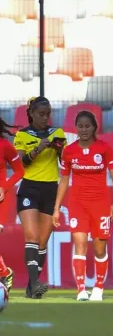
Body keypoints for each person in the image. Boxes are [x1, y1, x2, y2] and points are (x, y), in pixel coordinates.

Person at [52, 111, 113, 302]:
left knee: (99, 249)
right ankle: (81, 290)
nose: (84, 130)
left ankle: (98, 287)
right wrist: (57, 208)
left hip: (100, 204)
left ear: (94, 127)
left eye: (87, 126)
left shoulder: (104, 148)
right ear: (76, 128)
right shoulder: (69, 151)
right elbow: (64, 180)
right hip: (78, 204)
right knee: (80, 244)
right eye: (80, 126)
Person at [14, 96, 66, 298]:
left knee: (42, 242)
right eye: (41, 114)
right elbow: (19, 163)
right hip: (29, 188)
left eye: (48, 114)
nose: (46, 118)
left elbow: (65, 162)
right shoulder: (22, 134)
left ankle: (31, 287)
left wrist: (60, 150)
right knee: (32, 237)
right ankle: (35, 284)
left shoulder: (58, 133)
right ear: (32, 114)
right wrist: (38, 148)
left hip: (50, 189)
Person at [0, 117, 24, 291]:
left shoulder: (5, 146)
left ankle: (4, 273)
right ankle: (4, 271)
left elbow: (19, 171)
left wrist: (4, 187)